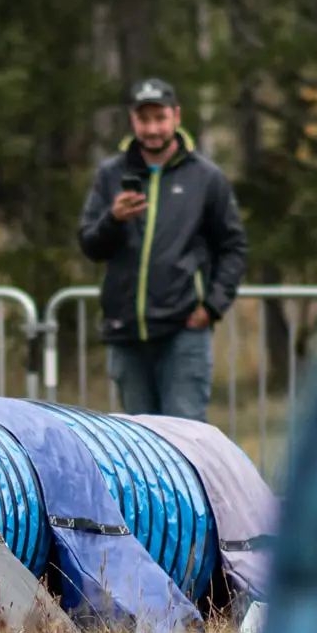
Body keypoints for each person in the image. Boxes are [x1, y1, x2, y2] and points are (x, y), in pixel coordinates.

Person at [78, 77, 248, 421]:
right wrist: (114, 218)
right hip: (125, 332)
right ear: (133, 120)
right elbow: (90, 244)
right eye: (144, 120)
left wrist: (212, 307)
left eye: (160, 118)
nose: (153, 128)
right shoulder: (111, 174)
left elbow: (233, 247)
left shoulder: (205, 177)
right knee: (139, 445)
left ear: (176, 117)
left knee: (184, 440)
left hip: (183, 333)